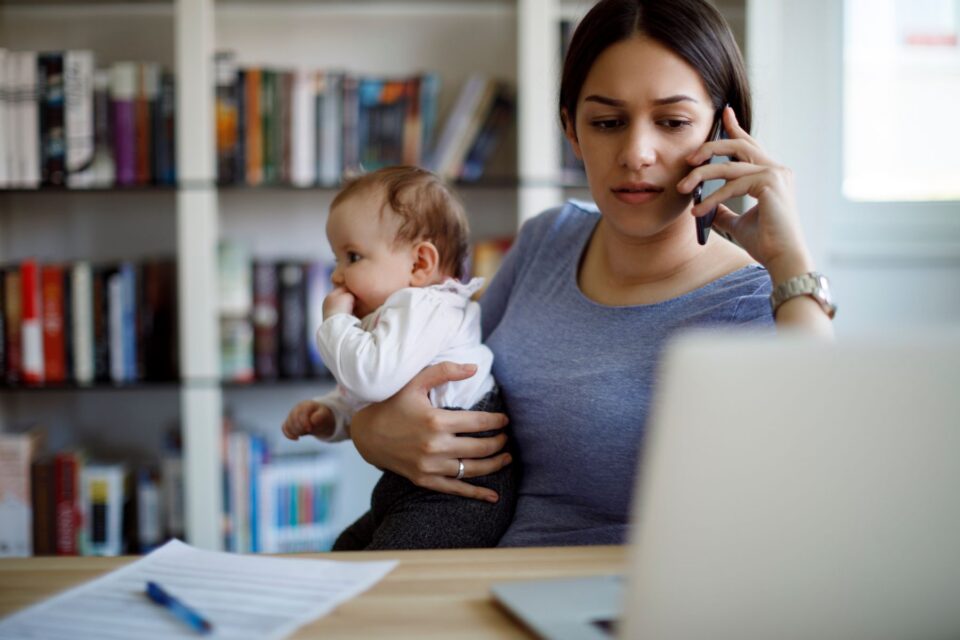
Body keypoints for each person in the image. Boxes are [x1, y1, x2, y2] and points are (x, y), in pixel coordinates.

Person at [291, 0, 836, 548]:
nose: (637, 152)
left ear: (723, 130)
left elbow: (820, 482)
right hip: (482, 583)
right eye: (607, 122)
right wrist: (366, 429)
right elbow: (431, 366)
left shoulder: (766, 300)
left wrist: (791, 263)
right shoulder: (548, 239)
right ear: (571, 131)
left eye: (672, 122)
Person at [281, 165, 517, 550]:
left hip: (458, 495)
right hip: (412, 483)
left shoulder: (425, 306)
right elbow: (375, 396)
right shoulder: (397, 314)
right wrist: (331, 414)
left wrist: (335, 321)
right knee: (345, 550)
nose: (337, 276)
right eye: (337, 259)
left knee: (387, 573)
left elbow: (371, 378)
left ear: (420, 264)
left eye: (352, 257)